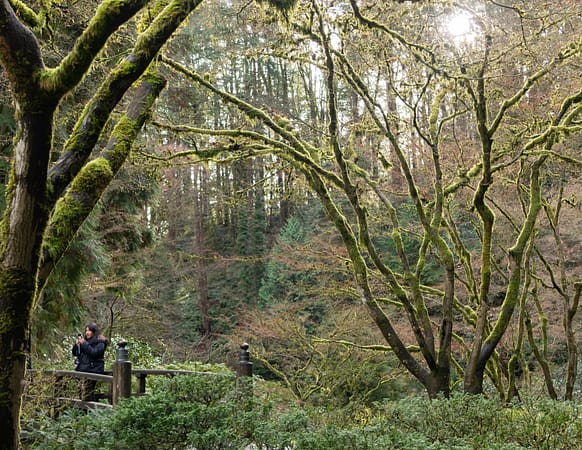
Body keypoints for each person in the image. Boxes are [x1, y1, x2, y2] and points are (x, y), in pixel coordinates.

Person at [72, 322, 108, 401]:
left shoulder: (100, 342)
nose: (87, 333)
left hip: (93, 369)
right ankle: (84, 411)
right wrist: (76, 345)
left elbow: (94, 353)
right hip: (82, 369)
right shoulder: (85, 341)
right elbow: (75, 353)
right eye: (86, 331)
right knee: (80, 391)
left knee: (87, 392)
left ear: (94, 331)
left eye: (89, 331)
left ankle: (89, 410)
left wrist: (84, 344)